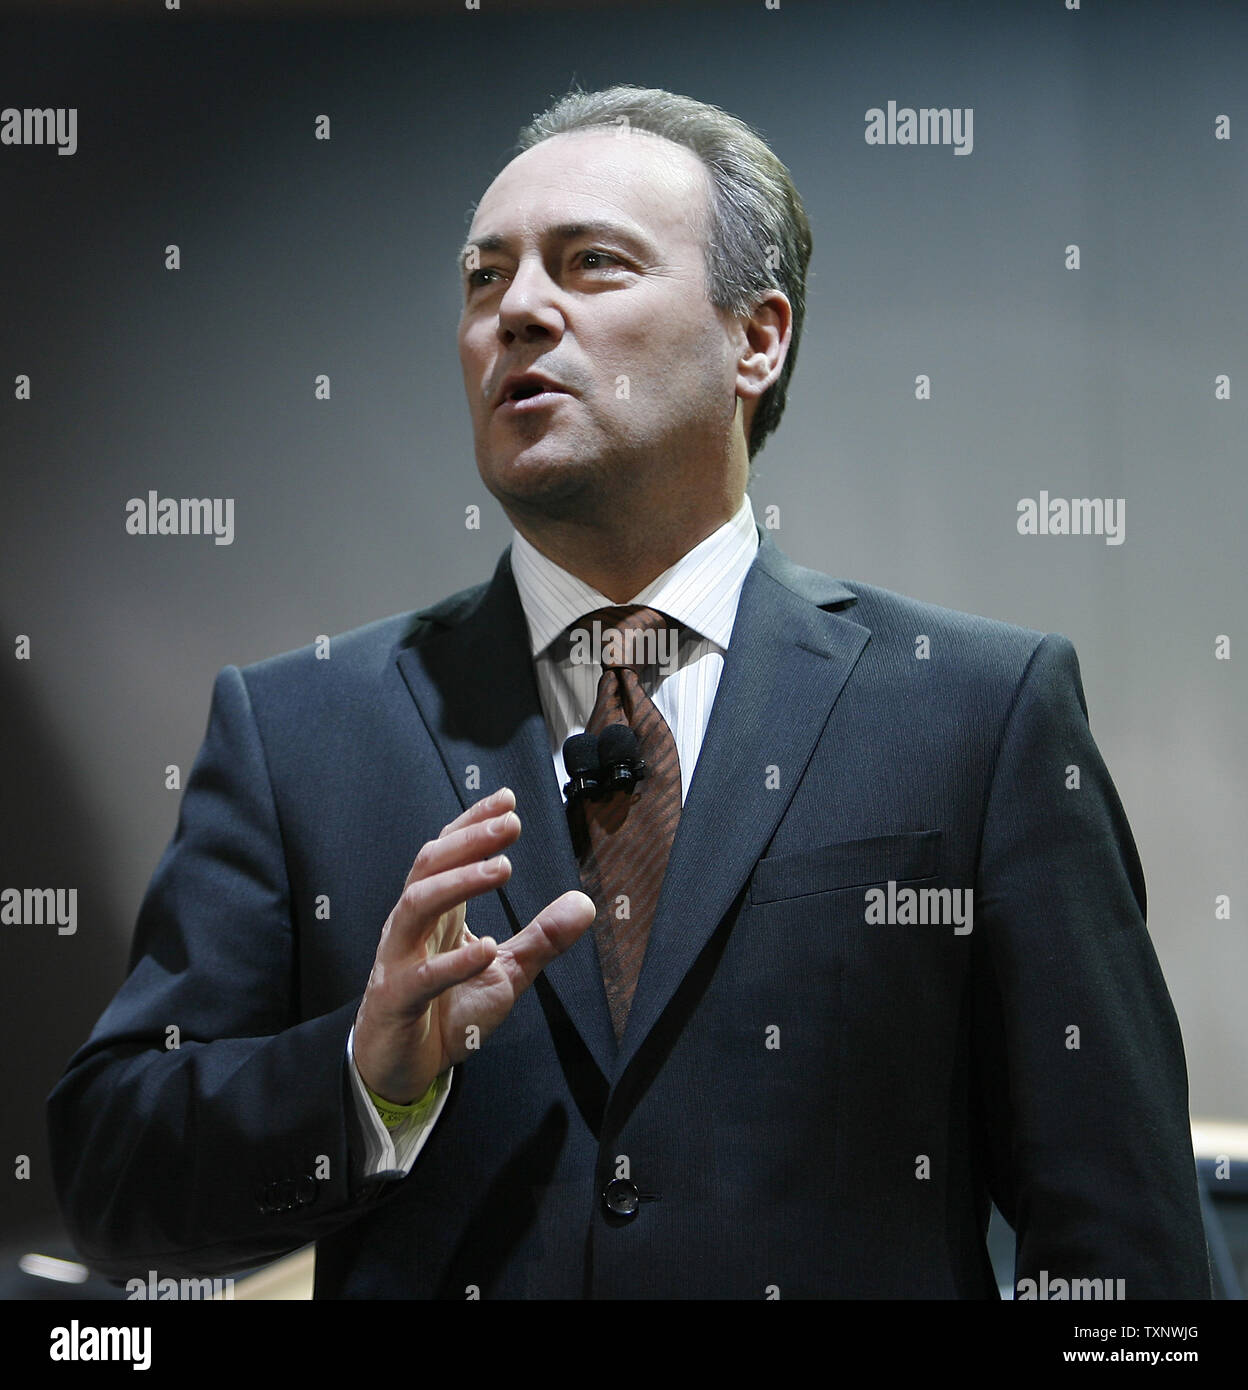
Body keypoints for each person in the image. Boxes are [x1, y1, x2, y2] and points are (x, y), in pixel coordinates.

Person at [48, 85, 1210, 1299]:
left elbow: (1126, 1249)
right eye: (484, 279)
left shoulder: (978, 712)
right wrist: (361, 1078)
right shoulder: (297, 731)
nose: (519, 312)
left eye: (590, 264)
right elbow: (112, 1174)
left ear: (757, 338)